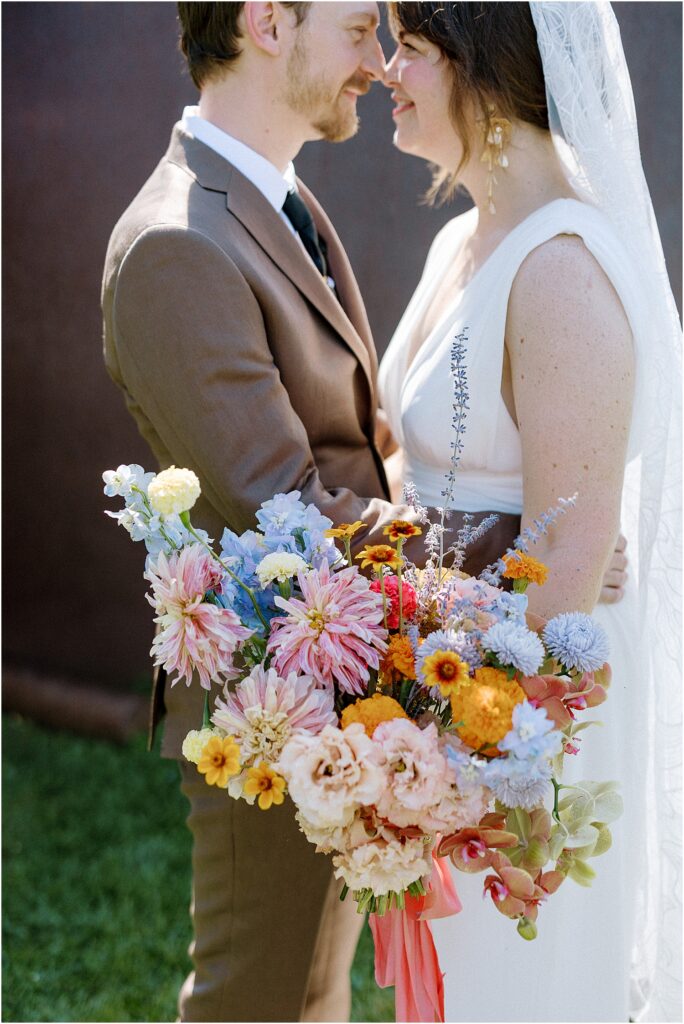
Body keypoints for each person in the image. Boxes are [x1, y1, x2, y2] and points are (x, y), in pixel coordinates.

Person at [101, 3, 522, 1021]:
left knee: (312, 994)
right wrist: (512, 541)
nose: (378, 63)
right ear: (266, 22)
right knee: (257, 999)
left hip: (331, 680)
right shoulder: (177, 244)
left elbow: (353, 447)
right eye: (357, 27)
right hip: (263, 701)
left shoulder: (273, 195)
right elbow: (286, 511)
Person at [378, 2, 681, 1022]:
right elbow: (408, 467)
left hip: (524, 727)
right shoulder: (461, 240)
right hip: (442, 689)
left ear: (485, 68)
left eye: (411, 48)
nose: (388, 74)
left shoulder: (562, 271)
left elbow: (563, 578)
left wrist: (462, 764)